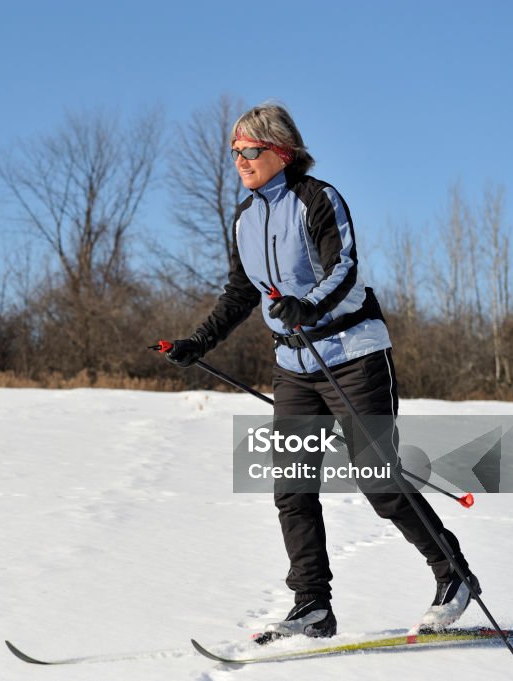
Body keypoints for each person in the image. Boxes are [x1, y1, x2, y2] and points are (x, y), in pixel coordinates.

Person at [164, 102, 479, 641]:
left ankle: (454, 576)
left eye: (251, 151)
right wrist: (199, 341)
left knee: (379, 482)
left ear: (281, 153)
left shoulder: (317, 198)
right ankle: (312, 602)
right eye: (235, 151)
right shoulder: (244, 216)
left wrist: (307, 306)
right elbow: (241, 292)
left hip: (352, 354)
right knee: (292, 486)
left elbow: (344, 267)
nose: (240, 160)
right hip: (293, 364)